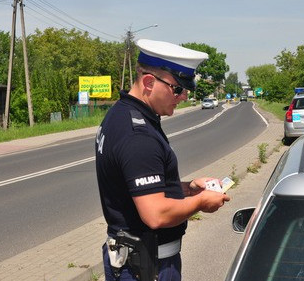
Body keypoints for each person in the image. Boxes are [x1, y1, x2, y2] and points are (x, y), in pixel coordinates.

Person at [95, 39, 230, 281]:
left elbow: (138, 187)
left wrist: (187, 189)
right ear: (148, 82)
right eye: (177, 89)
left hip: (136, 261)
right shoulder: (139, 137)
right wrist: (201, 202)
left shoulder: (122, 113)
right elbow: (155, 214)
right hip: (147, 267)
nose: (184, 96)